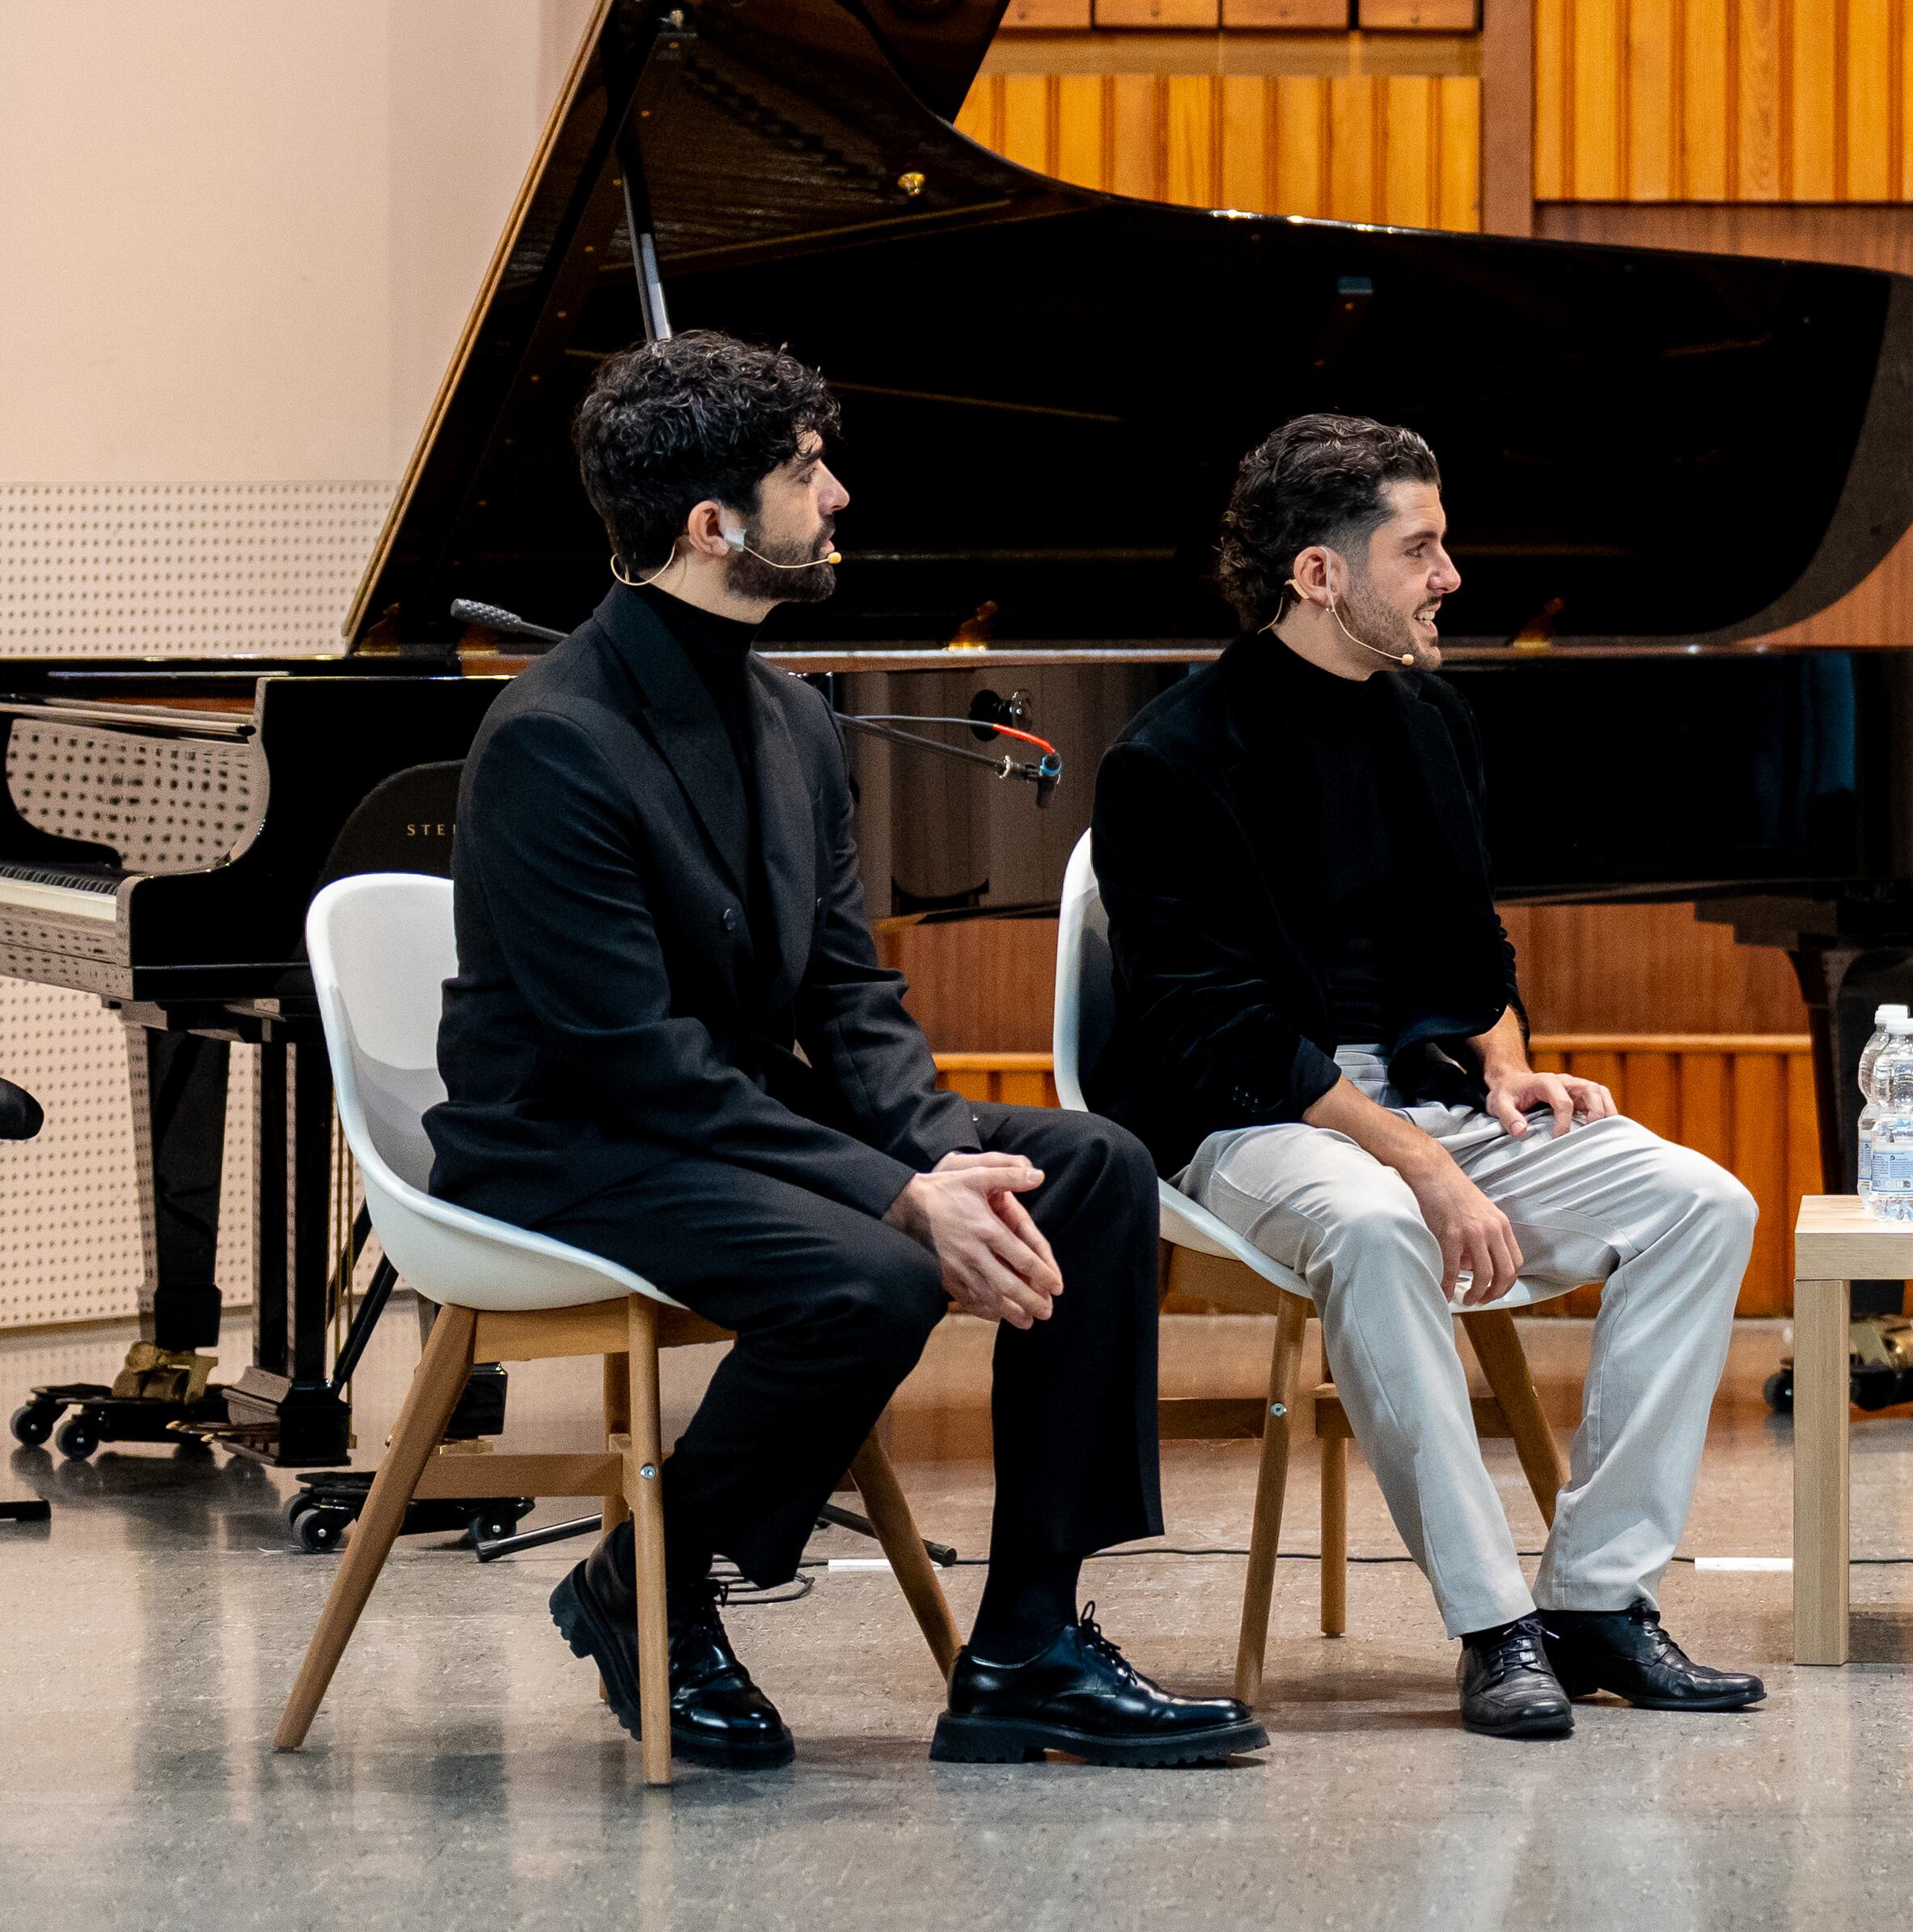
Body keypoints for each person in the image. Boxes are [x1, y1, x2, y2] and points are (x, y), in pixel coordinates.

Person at [425, 332, 1258, 1773]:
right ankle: (654, 1586)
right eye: (807, 472)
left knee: (1096, 1169)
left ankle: (1028, 1646)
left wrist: (935, 1147)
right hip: (569, 1138)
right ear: (713, 526)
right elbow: (633, 1060)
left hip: (726, 1111)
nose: (840, 496)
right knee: (871, 1271)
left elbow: (843, 989)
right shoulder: (552, 738)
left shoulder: (792, 711)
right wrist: (897, 1198)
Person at [1086, 413, 1766, 1741]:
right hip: (1253, 1113)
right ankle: (1492, 1623)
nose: (1452, 573)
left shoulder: (1431, 718)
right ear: (1321, 575)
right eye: (1423, 546)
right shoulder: (1169, 757)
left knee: (1703, 1203)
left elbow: (1474, 945)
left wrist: (1506, 1068)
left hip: (1423, 1090)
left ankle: (1596, 1605)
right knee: (1385, 1226)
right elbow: (1212, 1031)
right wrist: (1427, 1160)